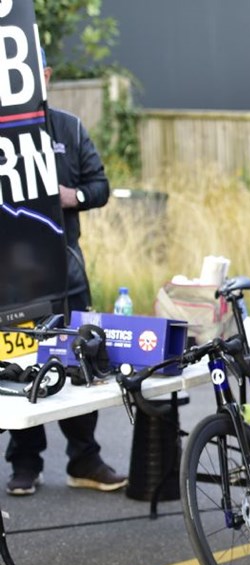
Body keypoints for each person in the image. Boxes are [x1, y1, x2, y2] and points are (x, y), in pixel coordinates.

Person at [5, 53, 126, 496]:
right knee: (20, 362)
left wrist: (70, 196)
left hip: (68, 269)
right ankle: (25, 463)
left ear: (46, 77)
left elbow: (101, 187)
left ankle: (85, 460)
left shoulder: (69, 128)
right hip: (13, 277)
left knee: (80, 358)